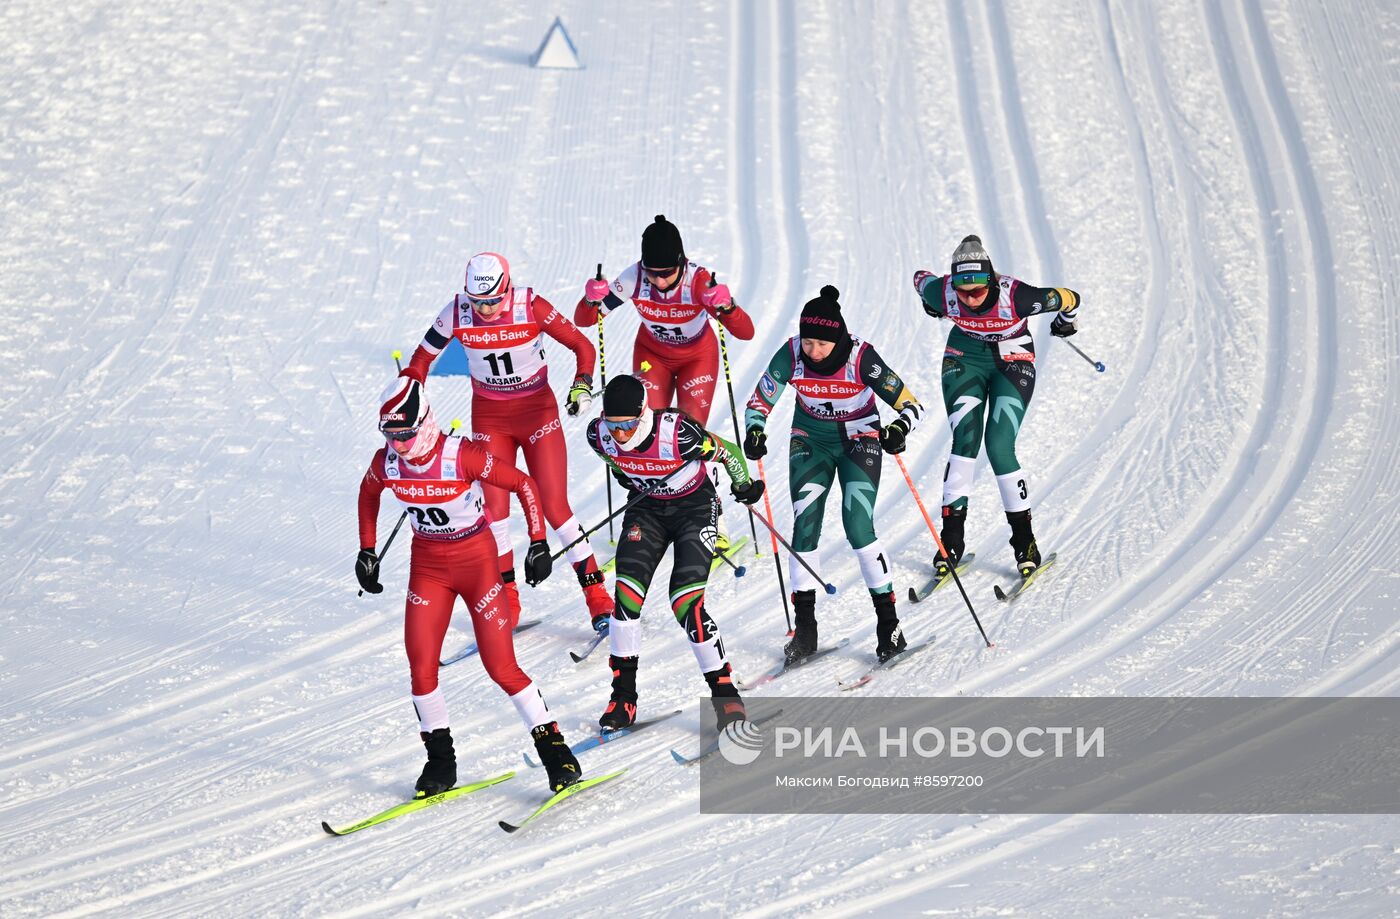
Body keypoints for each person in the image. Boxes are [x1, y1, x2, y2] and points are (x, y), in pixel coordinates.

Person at [355, 376, 581, 795]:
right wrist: (367, 550)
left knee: (501, 667)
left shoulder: (462, 455)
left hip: (477, 564)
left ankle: (556, 753)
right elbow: (368, 494)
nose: (398, 445)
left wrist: (537, 542)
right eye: (390, 435)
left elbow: (524, 485)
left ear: (423, 422)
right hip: (428, 567)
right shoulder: (386, 461)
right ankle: (441, 763)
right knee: (421, 669)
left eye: (404, 434)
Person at [402, 251, 612, 632]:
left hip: (537, 414)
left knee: (554, 507)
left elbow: (583, 347)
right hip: (491, 418)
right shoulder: (455, 312)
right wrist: (408, 392)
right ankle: (508, 600)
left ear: (507, 288)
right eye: (477, 301)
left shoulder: (531, 305)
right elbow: (421, 359)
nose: (484, 309)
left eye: (493, 300)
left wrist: (582, 384)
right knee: (494, 511)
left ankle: (597, 596)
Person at [743, 285, 924, 664]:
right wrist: (755, 429)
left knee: (858, 524)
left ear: (838, 338)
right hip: (811, 439)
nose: (814, 351)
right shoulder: (791, 353)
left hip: (860, 439)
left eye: (822, 345)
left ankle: (888, 624)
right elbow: (759, 400)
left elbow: (910, 403)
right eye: (809, 342)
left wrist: (899, 429)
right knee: (805, 523)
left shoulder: (861, 357)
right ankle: (805, 627)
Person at [584, 375, 765, 732]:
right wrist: (630, 478)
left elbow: (727, 451)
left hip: (694, 509)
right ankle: (623, 698)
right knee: (626, 599)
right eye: (613, 425)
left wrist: (743, 485)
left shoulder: (678, 433)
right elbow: (612, 458)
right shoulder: (597, 434)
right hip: (647, 510)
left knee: (685, 602)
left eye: (628, 426)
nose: (619, 434)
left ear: (643, 413)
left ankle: (725, 695)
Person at [575, 216, 756, 552]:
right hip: (652, 357)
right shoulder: (633, 278)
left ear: (681, 263)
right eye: (652, 273)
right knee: (647, 434)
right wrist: (590, 299)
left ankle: (714, 520)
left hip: (696, 358)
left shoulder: (698, 281)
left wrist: (727, 307)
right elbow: (585, 320)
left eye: (665, 273)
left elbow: (746, 332)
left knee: (688, 436)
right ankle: (652, 516)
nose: (658, 281)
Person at [911, 234, 1082, 579]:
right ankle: (950, 542)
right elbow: (920, 279)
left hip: (1012, 360)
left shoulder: (1018, 296)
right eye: (963, 291)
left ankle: (1026, 543)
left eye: (978, 290)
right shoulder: (942, 291)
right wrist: (930, 304)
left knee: (1000, 446)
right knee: (965, 441)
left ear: (991, 280)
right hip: (964, 359)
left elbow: (1070, 298)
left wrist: (1066, 322)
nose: (971, 299)